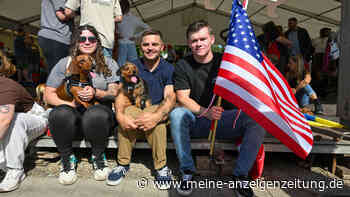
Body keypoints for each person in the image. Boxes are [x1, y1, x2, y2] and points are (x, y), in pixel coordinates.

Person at [169, 20, 265, 197]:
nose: (198, 44)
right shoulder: (183, 65)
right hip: (198, 120)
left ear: (212, 39)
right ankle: (187, 172)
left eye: (203, 39)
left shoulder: (227, 62)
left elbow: (245, 89)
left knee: (257, 117)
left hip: (225, 119)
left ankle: (241, 177)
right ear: (189, 43)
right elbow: (182, 98)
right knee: (177, 114)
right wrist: (206, 112)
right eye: (194, 40)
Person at [44, 25, 120, 185]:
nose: (87, 42)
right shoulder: (65, 63)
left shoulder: (107, 63)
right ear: (76, 42)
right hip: (74, 115)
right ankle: (67, 159)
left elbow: (114, 92)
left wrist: (96, 93)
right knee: (59, 113)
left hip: (99, 115)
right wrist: (69, 104)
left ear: (97, 43)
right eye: (82, 39)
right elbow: (48, 94)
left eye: (91, 39)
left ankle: (98, 157)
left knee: (95, 113)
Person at [107, 29, 175, 189]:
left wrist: (157, 116)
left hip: (157, 108)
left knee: (156, 120)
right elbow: (121, 95)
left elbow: (170, 97)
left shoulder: (169, 68)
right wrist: (120, 116)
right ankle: (123, 164)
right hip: (136, 109)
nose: (150, 48)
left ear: (162, 47)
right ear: (141, 47)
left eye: (154, 44)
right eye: (146, 44)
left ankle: (161, 168)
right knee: (127, 113)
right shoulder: (132, 66)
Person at [0, 67, 48, 192]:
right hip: (7, 123)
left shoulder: (6, 86)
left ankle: (15, 170)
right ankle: (3, 164)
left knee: (15, 120)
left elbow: (4, 120)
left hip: (34, 118)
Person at [38, 0, 73, 76]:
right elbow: (62, 15)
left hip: (52, 37)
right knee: (58, 74)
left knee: (54, 73)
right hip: (56, 37)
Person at [117, 0, 150, 66]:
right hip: (122, 44)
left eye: (122, 7)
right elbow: (115, 29)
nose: (121, 8)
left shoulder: (134, 18)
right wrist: (117, 35)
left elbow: (148, 28)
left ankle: (132, 75)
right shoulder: (118, 18)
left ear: (127, 7)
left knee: (132, 64)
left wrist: (136, 36)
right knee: (122, 64)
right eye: (121, 7)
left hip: (129, 44)